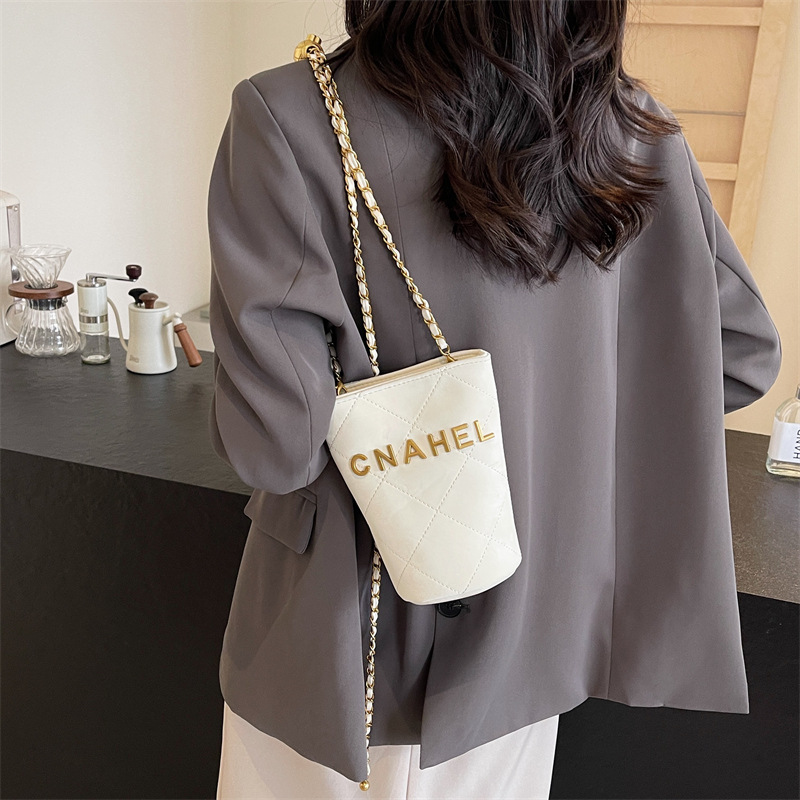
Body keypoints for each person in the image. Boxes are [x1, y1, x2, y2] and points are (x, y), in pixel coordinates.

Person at [206, 1, 783, 798]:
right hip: (533, 647)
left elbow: (275, 444)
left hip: (355, 652)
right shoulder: (630, 127)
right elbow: (740, 355)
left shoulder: (292, 113)